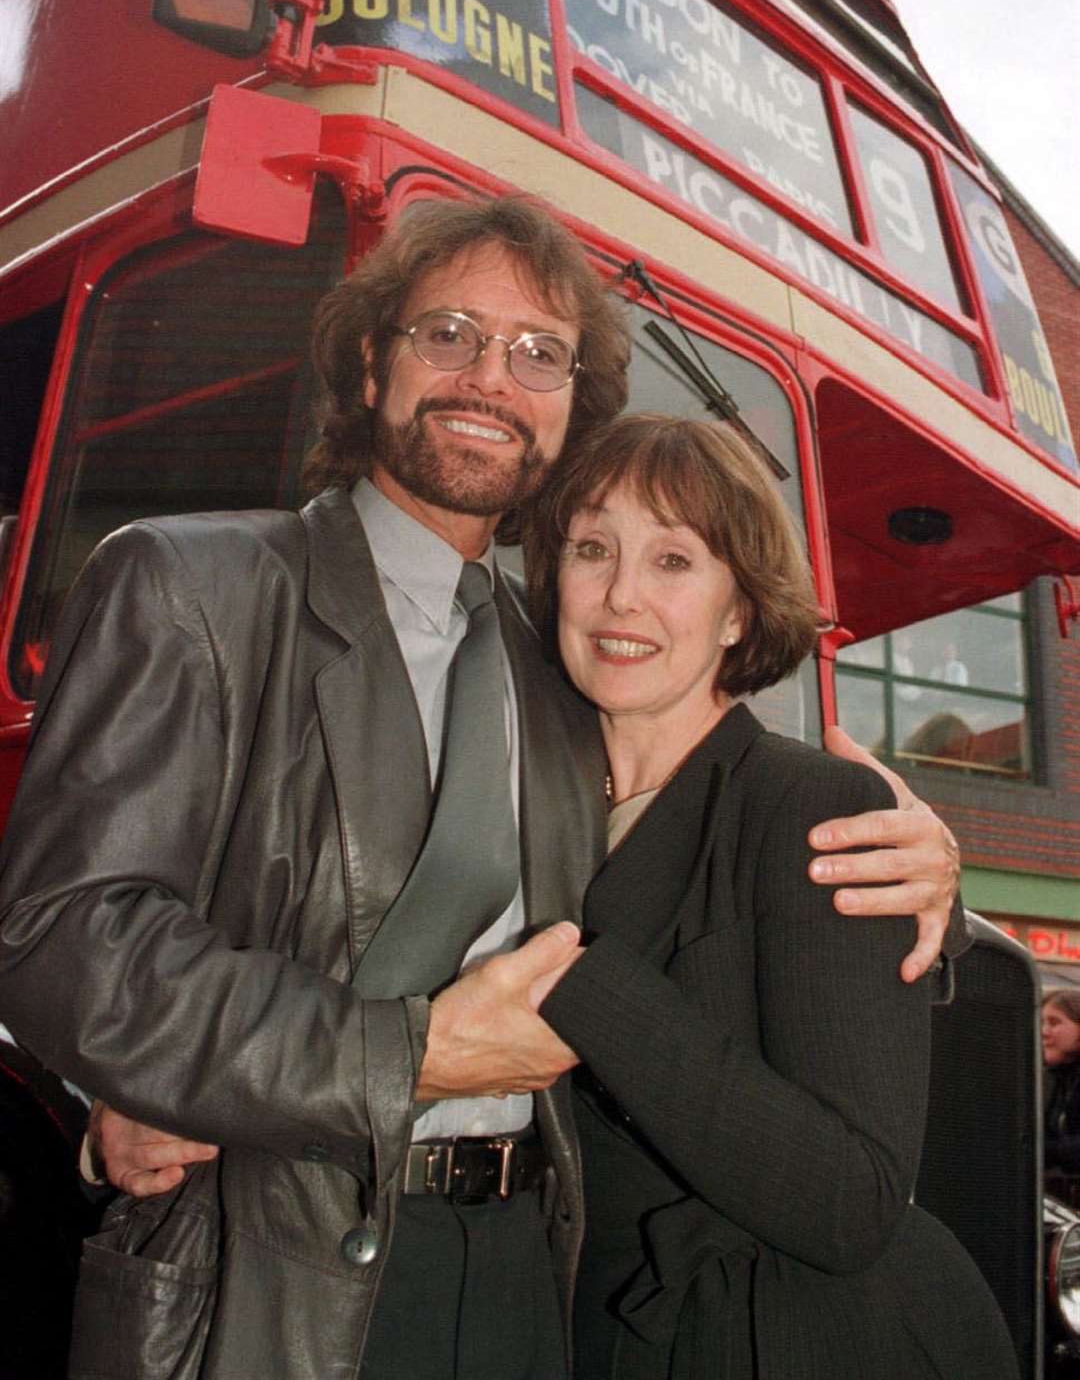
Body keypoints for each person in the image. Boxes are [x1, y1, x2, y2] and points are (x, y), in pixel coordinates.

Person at [0, 196, 962, 1380]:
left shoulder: (558, 677)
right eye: (447, 332)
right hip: (274, 1263)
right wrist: (386, 1061)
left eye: (537, 354)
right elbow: (65, 935)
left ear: (569, 406)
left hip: (529, 1278)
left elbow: (700, 867)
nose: (489, 378)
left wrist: (926, 883)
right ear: (368, 361)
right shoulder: (190, 586)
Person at [521, 413, 1017, 1380]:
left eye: (673, 561)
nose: (621, 595)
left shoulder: (816, 805)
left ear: (740, 611)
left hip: (799, 1341)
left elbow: (852, 1200)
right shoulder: (533, 794)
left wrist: (581, 985)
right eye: (592, 549)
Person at [1042, 989, 1080, 1200]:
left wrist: (1043, 1150)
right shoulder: (1057, 1078)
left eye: (1054, 1023)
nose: (1044, 1032)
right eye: (1042, 1023)